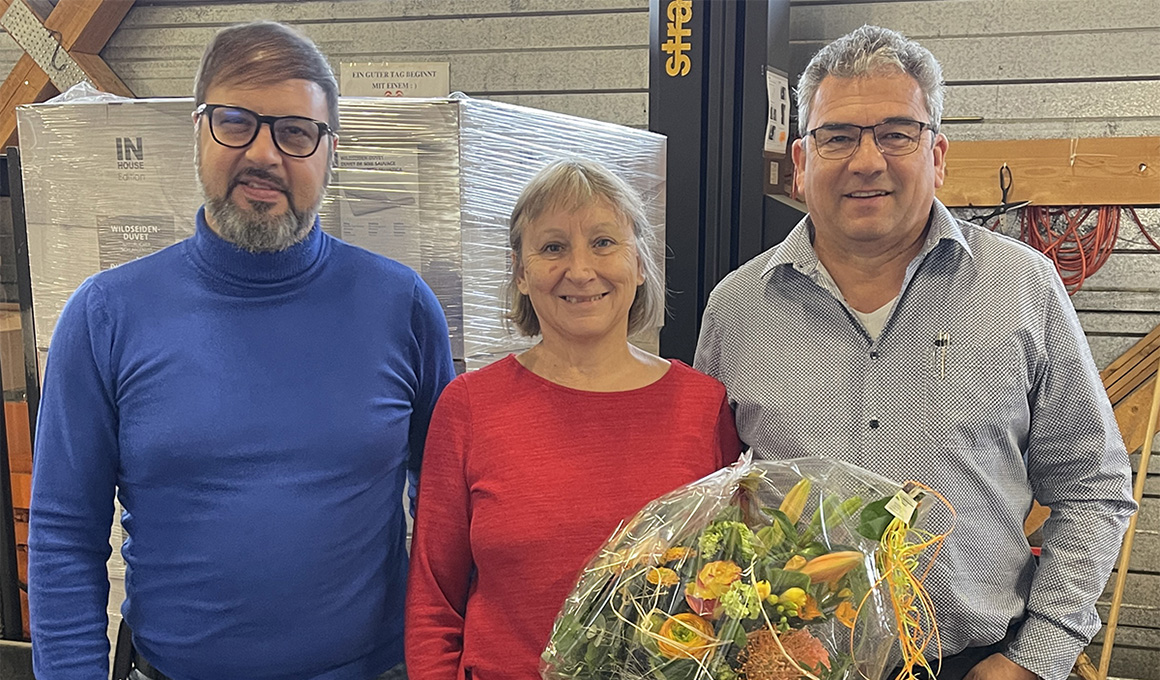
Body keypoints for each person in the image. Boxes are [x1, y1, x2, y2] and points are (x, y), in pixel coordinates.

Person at [693, 25, 1136, 680]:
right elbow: (707, 507)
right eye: (838, 135)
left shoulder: (1022, 288)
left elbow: (1093, 487)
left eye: (896, 133)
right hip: (790, 664)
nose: (866, 160)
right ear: (800, 161)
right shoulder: (736, 311)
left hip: (977, 664)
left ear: (938, 155)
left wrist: (1036, 659)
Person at [28, 21, 454, 680]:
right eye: (236, 122)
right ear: (197, 131)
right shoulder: (107, 315)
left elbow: (447, 514)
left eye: (295, 132)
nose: (265, 153)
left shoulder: (402, 308)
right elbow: (63, 535)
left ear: (329, 153)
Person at [404, 159, 742, 679]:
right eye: (553, 247)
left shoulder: (702, 405)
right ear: (520, 271)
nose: (580, 271)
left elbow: (732, 581)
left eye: (604, 243)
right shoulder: (469, 406)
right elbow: (434, 600)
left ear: (640, 265)